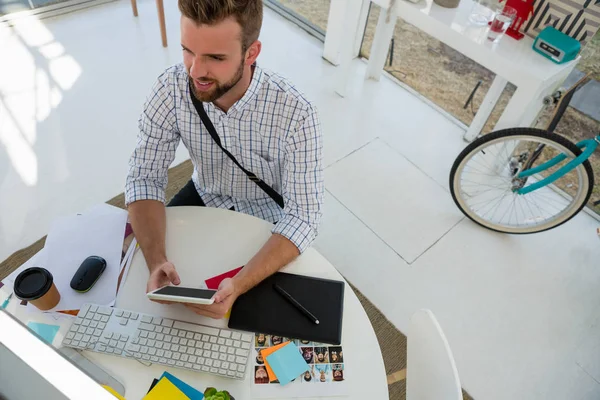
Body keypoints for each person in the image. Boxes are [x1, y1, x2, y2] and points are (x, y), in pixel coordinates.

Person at [124, 0, 324, 320]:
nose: (195, 70)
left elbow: (304, 218)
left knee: (258, 323)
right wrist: (156, 261)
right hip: (205, 192)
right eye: (188, 50)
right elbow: (144, 177)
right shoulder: (170, 87)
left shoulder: (296, 114)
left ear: (251, 53)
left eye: (215, 58)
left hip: (267, 213)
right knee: (141, 295)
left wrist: (241, 284)